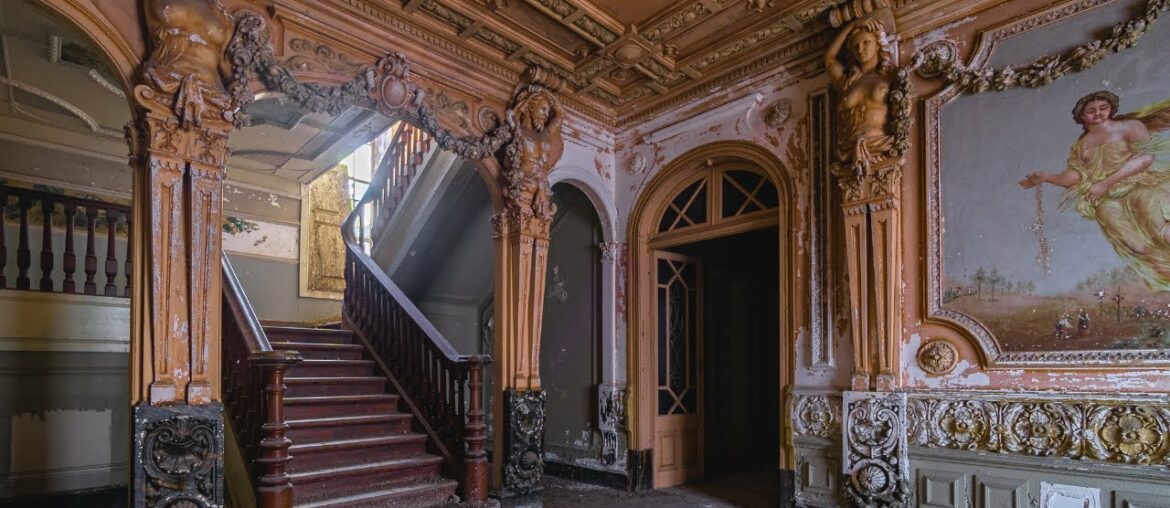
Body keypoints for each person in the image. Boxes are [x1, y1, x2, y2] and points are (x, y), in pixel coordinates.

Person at [1020, 91, 1170, 291]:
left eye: (1103, 108)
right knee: (1134, 244)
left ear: (1112, 108)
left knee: (1158, 226)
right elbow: (1076, 177)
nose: (1098, 113)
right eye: (1091, 111)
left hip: (1137, 184)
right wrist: (1048, 177)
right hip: (1105, 199)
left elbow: (1145, 159)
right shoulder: (1082, 146)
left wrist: (1106, 183)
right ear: (1081, 116)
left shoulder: (1129, 127)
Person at [824, 17, 895, 175]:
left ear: (878, 44)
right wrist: (851, 26)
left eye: (866, 43)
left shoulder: (889, 76)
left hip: (880, 145)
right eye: (855, 46)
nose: (860, 49)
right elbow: (829, 60)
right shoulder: (848, 82)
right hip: (848, 152)